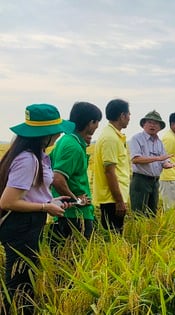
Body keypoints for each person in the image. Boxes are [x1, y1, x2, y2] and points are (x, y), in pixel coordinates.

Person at [0, 104, 72, 313]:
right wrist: (44, 207)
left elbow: (30, 193)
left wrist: (50, 202)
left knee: (24, 279)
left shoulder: (36, 155)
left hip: (28, 222)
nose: (59, 134)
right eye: (56, 131)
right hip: (21, 225)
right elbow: (7, 202)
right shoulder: (28, 160)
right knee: (19, 284)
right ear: (44, 135)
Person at [50, 102, 102, 241]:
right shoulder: (72, 146)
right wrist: (76, 200)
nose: (97, 127)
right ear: (91, 122)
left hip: (68, 213)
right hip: (74, 214)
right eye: (97, 122)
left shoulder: (66, 140)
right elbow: (57, 178)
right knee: (75, 258)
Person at [93, 99, 131, 234]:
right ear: (122, 116)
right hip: (112, 199)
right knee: (113, 236)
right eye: (128, 114)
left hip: (114, 197)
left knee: (115, 234)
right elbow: (109, 172)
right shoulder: (110, 138)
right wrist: (119, 201)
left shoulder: (113, 135)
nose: (129, 118)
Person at [129, 110, 174, 216]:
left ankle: (150, 232)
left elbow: (164, 160)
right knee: (139, 213)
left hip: (154, 182)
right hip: (141, 181)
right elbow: (136, 159)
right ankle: (138, 232)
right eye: (149, 122)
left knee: (152, 213)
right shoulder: (137, 139)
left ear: (160, 127)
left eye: (156, 123)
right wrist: (157, 158)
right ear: (144, 124)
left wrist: (167, 164)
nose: (152, 125)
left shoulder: (159, 143)